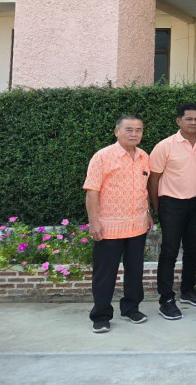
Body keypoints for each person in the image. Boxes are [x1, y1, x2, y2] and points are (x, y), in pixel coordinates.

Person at [83, 115, 154, 333]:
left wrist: (148, 213)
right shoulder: (102, 157)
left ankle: (131, 308)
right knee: (105, 274)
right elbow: (92, 191)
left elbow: (143, 188)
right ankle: (101, 315)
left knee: (135, 271)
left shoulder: (144, 156)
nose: (134, 134)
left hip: (137, 225)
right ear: (117, 131)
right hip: (109, 227)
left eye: (138, 130)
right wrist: (94, 222)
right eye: (129, 129)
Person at [148, 103, 196, 320]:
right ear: (178, 121)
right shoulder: (165, 146)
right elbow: (153, 179)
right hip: (171, 204)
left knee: (193, 249)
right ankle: (166, 299)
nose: (193, 123)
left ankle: (188, 290)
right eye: (188, 119)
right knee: (169, 251)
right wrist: (158, 207)